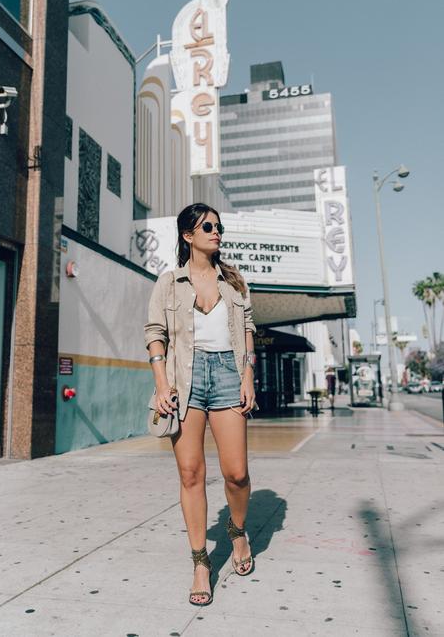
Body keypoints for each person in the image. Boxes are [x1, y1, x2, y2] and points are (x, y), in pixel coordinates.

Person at [144, 203, 257, 607]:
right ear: (188, 235)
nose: (217, 231)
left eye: (219, 226)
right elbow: (155, 332)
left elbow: (246, 331)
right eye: (208, 226)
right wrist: (161, 384)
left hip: (228, 373)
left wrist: (247, 376)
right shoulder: (170, 282)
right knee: (191, 472)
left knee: (237, 473)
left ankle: (237, 530)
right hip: (185, 378)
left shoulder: (234, 282)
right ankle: (200, 562)